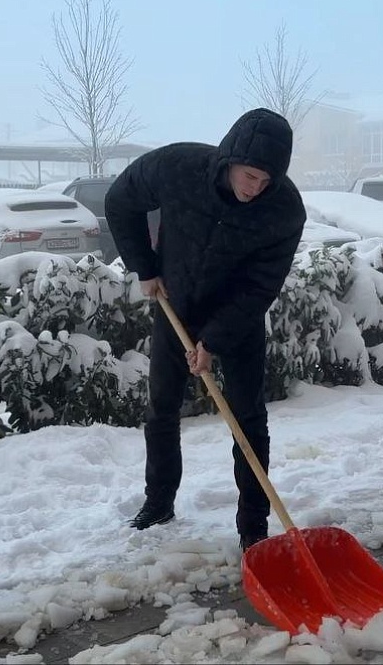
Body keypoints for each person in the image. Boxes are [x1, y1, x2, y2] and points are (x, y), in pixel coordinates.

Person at [103, 107, 307, 552]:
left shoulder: (284, 211)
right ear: (231, 158)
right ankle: (158, 502)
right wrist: (144, 266)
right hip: (175, 303)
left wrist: (213, 341)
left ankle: (253, 525)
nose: (255, 190)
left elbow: (260, 286)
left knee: (247, 417)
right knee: (162, 408)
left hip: (238, 318)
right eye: (250, 176)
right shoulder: (178, 167)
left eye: (265, 181)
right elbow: (121, 200)